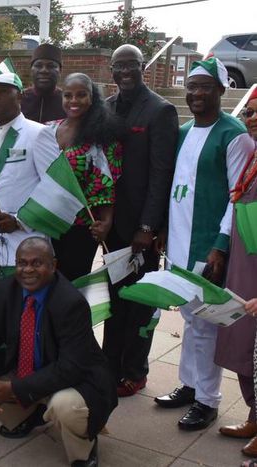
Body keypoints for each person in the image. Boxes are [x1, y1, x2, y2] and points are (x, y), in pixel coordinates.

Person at [156, 57, 253, 431]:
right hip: (179, 240)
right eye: (192, 86)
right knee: (188, 316)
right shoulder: (183, 132)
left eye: (205, 87)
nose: (196, 93)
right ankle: (189, 384)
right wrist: (164, 228)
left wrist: (220, 244)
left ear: (221, 91)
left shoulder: (234, 135)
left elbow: (238, 197)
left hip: (207, 244)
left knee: (207, 322)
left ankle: (207, 400)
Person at [0, 237, 117, 466]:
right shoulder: (4, 290)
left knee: (64, 405)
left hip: (77, 379)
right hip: (31, 370)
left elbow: (70, 368)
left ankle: (84, 449)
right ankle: (26, 416)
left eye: (37, 263)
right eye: (22, 263)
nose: (28, 270)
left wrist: (13, 388)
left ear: (53, 266)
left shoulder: (70, 302)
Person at [103, 44, 179, 398]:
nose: (125, 72)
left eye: (131, 65)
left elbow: (162, 174)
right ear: (111, 70)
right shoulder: (106, 108)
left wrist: (148, 227)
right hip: (111, 227)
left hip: (140, 231)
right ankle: (110, 365)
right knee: (115, 299)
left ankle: (135, 371)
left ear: (143, 67)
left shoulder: (161, 111)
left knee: (140, 303)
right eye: (119, 66)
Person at [0, 72, 59, 304]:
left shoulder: (38, 133)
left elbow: (57, 189)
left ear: (19, 96)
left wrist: (20, 221)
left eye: (3, 92)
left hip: (24, 243)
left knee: (24, 312)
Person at [48, 73, 123, 281]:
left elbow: (107, 182)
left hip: (80, 226)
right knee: (46, 281)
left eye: (81, 95)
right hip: (47, 220)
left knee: (73, 284)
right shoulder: (48, 129)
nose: (73, 101)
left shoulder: (102, 136)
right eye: (68, 95)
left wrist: (106, 221)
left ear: (92, 98)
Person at [215, 87, 257, 456]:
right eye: (249, 112)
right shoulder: (252, 159)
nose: (252, 118)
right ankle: (254, 414)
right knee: (245, 342)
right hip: (246, 265)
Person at [21, 44, 66, 124]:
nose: (44, 70)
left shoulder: (67, 102)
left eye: (51, 66)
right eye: (38, 65)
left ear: (60, 71)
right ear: (31, 70)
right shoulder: (19, 99)